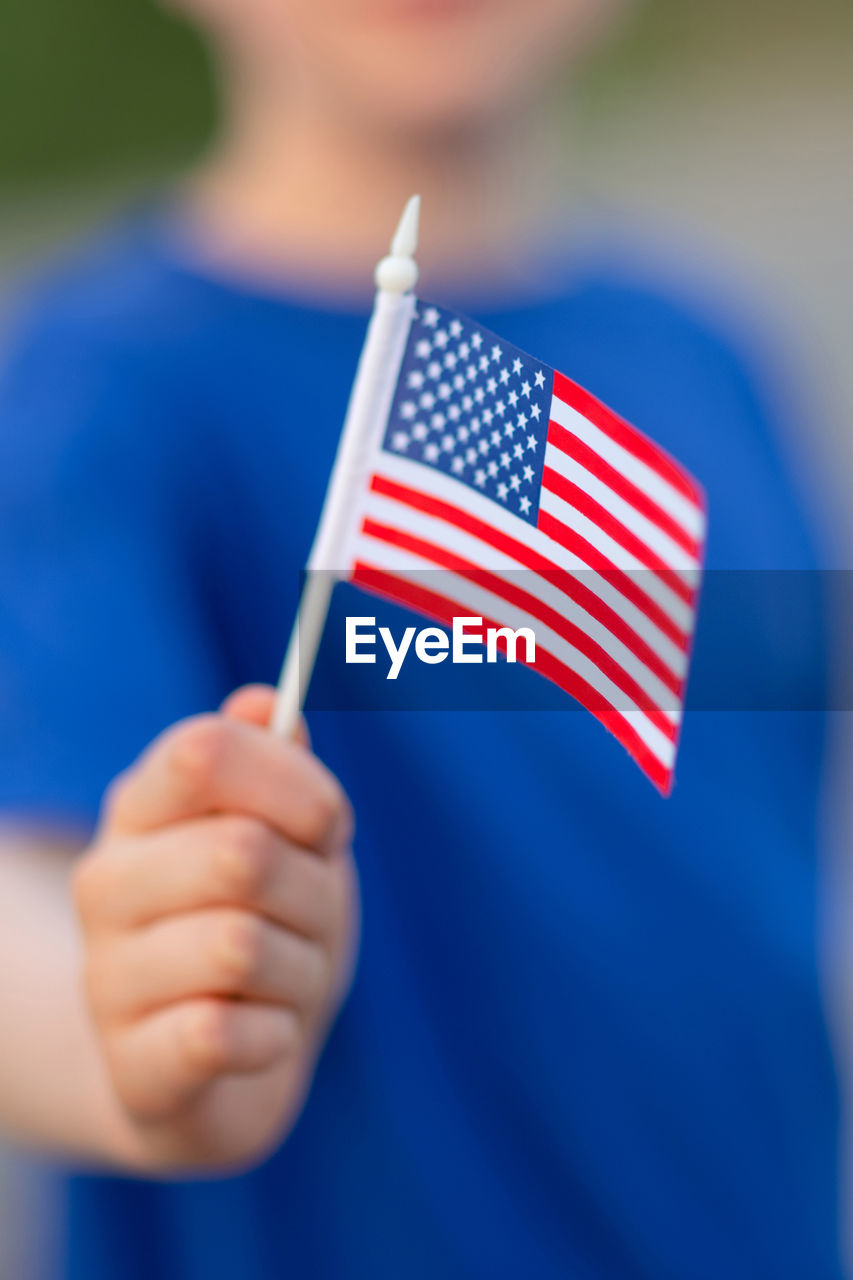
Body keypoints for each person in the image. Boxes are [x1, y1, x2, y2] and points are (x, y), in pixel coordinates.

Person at [0, 1, 843, 1277]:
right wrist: (137, 1031)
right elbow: (31, 896)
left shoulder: (706, 354)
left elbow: (763, 848)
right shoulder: (109, 393)